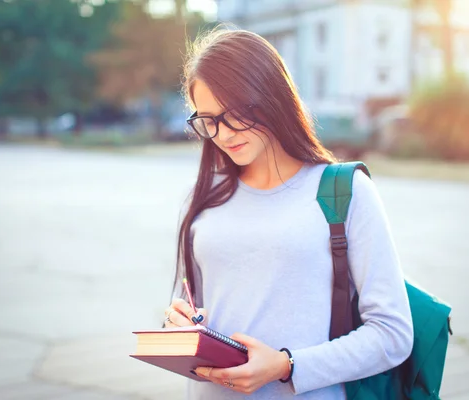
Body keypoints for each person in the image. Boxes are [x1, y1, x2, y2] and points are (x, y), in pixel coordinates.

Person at [162, 27, 413, 400]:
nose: (224, 133)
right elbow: (192, 306)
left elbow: (393, 333)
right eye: (208, 120)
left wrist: (286, 365)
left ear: (271, 96)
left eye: (234, 113)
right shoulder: (200, 199)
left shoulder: (345, 191)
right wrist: (176, 324)